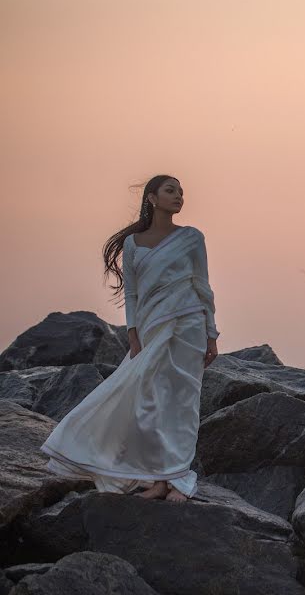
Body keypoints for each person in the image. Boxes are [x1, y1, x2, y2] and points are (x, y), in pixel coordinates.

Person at [41, 174, 219, 502]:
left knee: (181, 402)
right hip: (151, 329)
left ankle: (174, 478)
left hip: (189, 326)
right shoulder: (133, 244)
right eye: (171, 191)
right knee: (149, 402)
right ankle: (154, 477)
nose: (179, 196)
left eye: (181, 192)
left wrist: (211, 335)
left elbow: (202, 286)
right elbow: (133, 295)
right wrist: (133, 335)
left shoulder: (192, 238)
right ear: (152, 198)